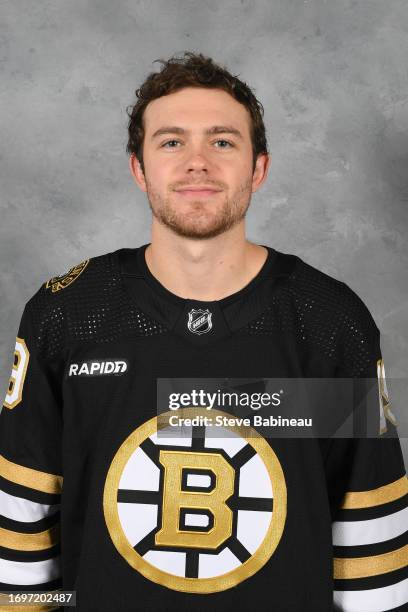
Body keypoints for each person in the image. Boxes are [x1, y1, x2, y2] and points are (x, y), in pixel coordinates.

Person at [0, 51, 407, 611]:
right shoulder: (68, 313)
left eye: (222, 141)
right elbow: (20, 520)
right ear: (138, 168)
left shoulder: (328, 319)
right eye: (171, 142)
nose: (197, 163)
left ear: (258, 168)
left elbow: (368, 528)